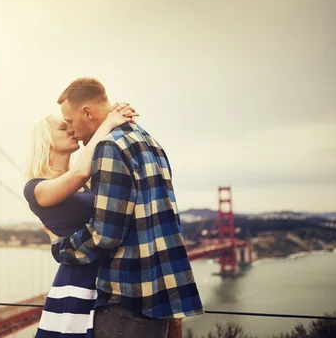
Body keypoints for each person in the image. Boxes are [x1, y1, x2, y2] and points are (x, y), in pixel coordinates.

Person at [43, 78, 205, 338]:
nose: (72, 131)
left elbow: (105, 234)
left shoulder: (109, 147)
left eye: (70, 122)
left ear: (87, 112)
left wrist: (60, 247)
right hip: (159, 299)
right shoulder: (150, 142)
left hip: (127, 299)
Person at [24, 102, 139, 337]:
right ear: (46, 140)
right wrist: (108, 122)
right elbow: (79, 172)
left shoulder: (81, 180)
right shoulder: (36, 188)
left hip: (105, 275)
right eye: (62, 127)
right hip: (76, 279)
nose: (70, 129)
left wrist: (109, 115)